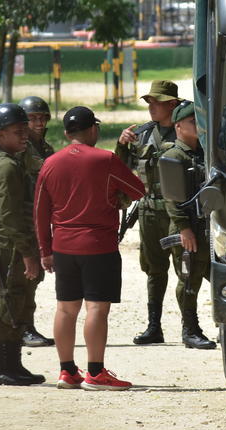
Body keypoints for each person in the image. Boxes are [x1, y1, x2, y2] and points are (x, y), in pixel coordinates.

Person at [34, 106, 145, 390]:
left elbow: (40, 211)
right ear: (93, 129)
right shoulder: (105, 159)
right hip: (98, 246)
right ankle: (95, 372)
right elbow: (138, 190)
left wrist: (45, 250)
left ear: (67, 132)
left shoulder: (50, 163)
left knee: (65, 309)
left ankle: (67, 371)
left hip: (63, 246)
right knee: (96, 307)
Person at [0, 103, 45, 386]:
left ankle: (13, 364)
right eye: (19, 132)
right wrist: (29, 253)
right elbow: (10, 216)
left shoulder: (9, 157)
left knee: (19, 300)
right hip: (11, 245)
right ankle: (0, 367)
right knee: (8, 301)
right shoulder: (5, 166)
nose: (25, 136)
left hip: (15, 242)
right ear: (1, 133)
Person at [115, 80, 181, 345]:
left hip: (178, 210)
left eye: (157, 102)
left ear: (172, 104)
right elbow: (120, 170)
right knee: (155, 270)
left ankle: (192, 327)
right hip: (150, 209)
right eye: (150, 102)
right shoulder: (142, 135)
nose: (151, 107)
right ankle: (154, 326)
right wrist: (121, 145)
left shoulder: (186, 131)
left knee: (188, 268)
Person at [160, 100, 217, 349]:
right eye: (194, 122)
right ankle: (189, 329)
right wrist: (184, 228)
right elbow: (172, 197)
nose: (198, 126)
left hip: (209, 230)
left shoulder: (207, 153)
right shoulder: (174, 156)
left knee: (218, 278)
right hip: (189, 231)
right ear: (178, 126)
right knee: (189, 281)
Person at [15, 95, 56, 348]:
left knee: (34, 276)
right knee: (24, 277)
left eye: (42, 118)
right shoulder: (21, 149)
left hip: (38, 219)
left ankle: (24, 327)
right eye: (33, 118)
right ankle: (22, 328)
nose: (39, 123)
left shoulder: (45, 148)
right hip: (24, 218)